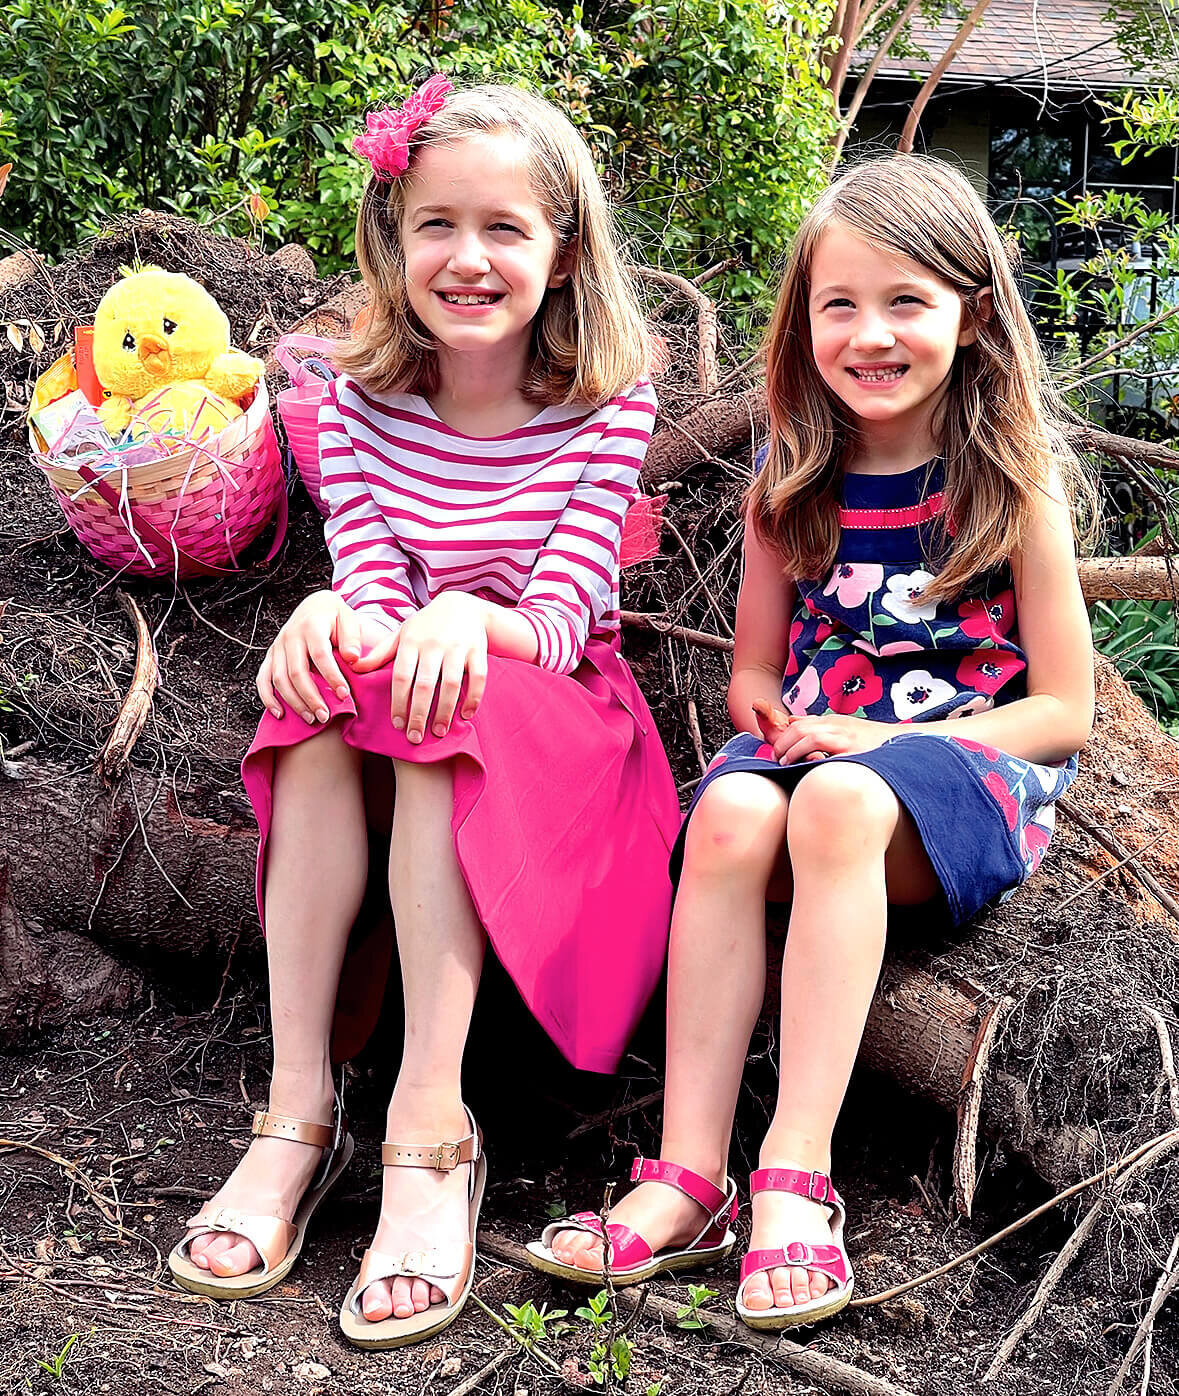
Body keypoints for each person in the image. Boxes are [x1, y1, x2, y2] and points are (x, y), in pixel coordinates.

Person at [529, 153, 1095, 1330]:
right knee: (732, 812)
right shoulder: (792, 477)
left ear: (972, 315)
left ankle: (795, 1171)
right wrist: (778, 721)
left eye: (905, 302)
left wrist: (873, 740)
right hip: (812, 767)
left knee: (839, 803)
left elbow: (1063, 712)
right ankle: (690, 1173)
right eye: (840, 303)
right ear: (804, 320)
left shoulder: (1011, 482)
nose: (869, 334)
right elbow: (751, 672)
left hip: (960, 779)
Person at [167, 75, 680, 1349]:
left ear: (565, 253)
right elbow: (374, 590)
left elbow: (556, 620)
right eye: (436, 225)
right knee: (322, 696)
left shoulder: (608, 404)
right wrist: (327, 615)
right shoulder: (352, 401)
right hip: (415, 681)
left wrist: (464, 618)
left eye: (505, 228)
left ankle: (430, 1121)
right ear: (392, 239)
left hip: (563, 717)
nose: (468, 257)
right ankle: (298, 1107)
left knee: (439, 705)